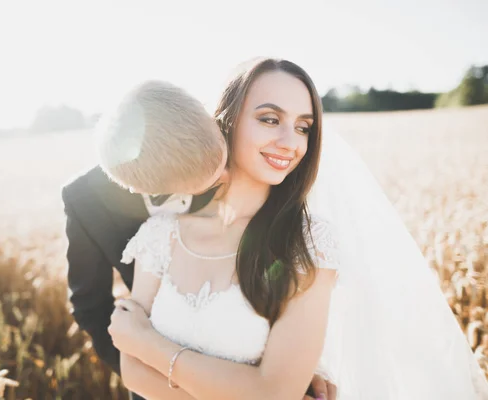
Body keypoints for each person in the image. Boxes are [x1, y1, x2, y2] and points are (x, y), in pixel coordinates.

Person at [107, 58, 488, 399]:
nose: (291, 143)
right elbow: (133, 373)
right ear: (228, 119)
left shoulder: (307, 245)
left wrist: (146, 343)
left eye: (303, 127)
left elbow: (274, 391)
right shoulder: (162, 235)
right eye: (270, 119)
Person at [62, 79, 335, 400]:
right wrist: (137, 355)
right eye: (210, 181)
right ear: (152, 190)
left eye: (223, 165)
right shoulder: (97, 204)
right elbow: (90, 307)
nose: (226, 178)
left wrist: (289, 368)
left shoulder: (210, 137)